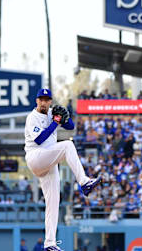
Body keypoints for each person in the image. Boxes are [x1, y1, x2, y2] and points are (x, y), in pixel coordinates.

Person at [25, 88, 101, 251]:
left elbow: (70, 126)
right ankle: (84, 182)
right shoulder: (32, 117)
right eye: (41, 99)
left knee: (53, 202)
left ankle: (49, 243)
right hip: (36, 157)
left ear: (50, 101)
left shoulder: (52, 112)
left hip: (48, 161)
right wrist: (56, 122)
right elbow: (39, 139)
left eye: (47, 99)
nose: (44, 102)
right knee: (67, 145)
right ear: (37, 101)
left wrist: (64, 118)